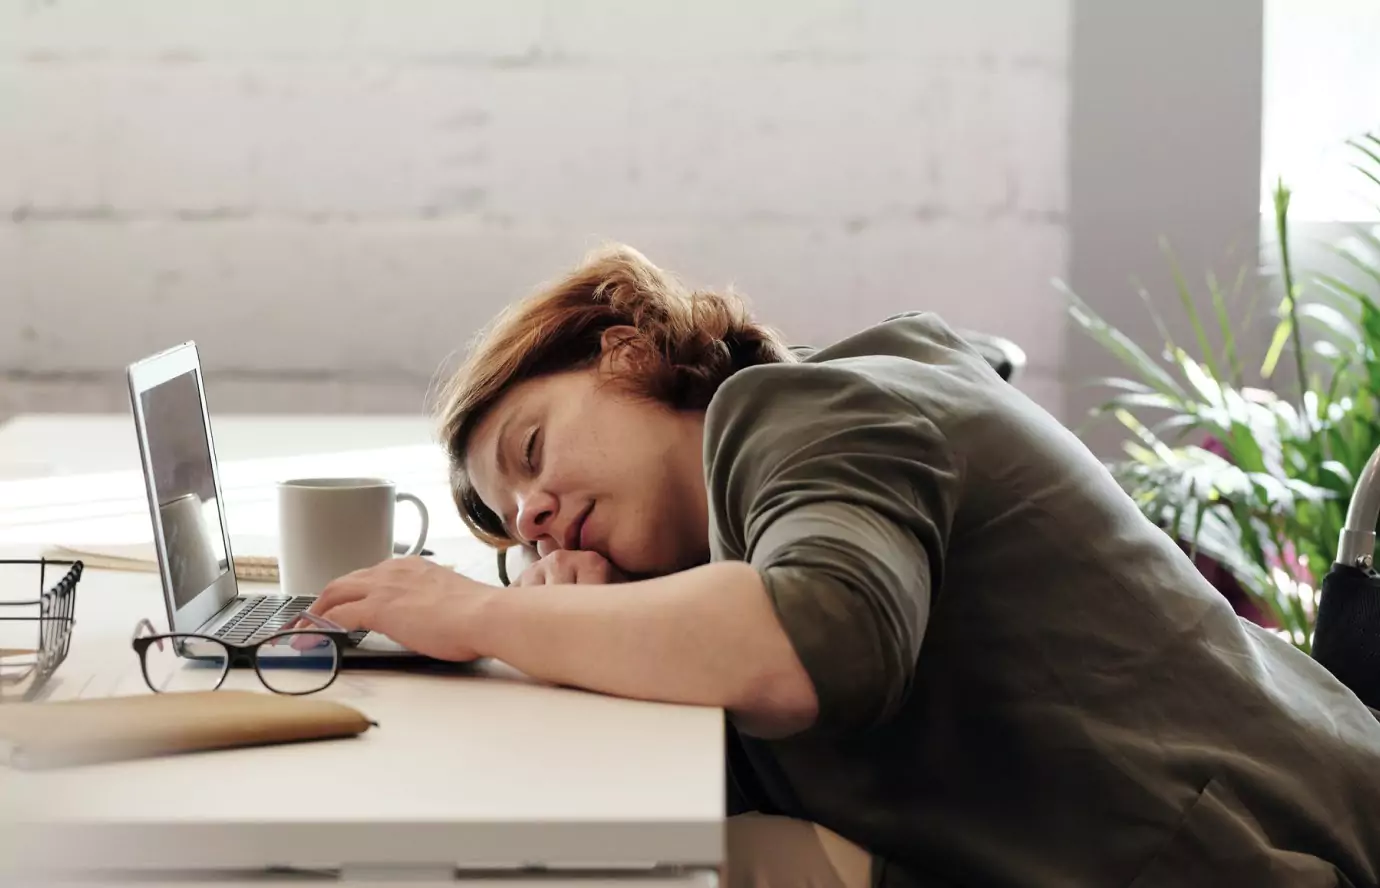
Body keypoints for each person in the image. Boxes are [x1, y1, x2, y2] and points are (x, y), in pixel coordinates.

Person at [304, 244, 1380, 887]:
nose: (535, 516)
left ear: (624, 349)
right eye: (518, 529)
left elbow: (822, 642)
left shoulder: (803, 410)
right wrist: (588, 629)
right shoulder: (766, 484)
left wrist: (484, 619)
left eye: (531, 454)